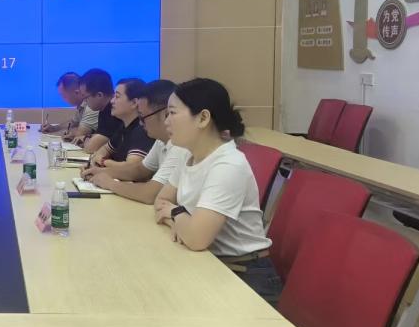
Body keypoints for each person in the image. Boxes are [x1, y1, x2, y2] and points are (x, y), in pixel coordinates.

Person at [153, 78, 282, 303]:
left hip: (246, 275)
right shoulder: (188, 154)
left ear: (203, 118)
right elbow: (161, 200)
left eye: (172, 113)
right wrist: (182, 223)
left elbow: (196, 238)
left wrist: (176, 213)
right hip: (208, 262)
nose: (166, 122)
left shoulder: (228, 164)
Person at [83, 79, 188, 205]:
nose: (140, 123)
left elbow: (151, 194)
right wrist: (99, 172)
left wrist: (110, 183)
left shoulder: (180, 145)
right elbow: (139, 170)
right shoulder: (161, 140)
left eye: (143, 117)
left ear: (164, 113)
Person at [84, 77, 152, 165]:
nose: (112, 101)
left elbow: (130, 168)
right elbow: (102, 151)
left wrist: (103, 162)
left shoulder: (142, 129)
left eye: (117, 97)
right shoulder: (123, 127)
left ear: (134, 103)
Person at [72, 68, 114, 153]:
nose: (84, 102)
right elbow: (102, 135)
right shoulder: (103, 109)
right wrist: (88, 137)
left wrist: (86, 139)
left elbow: (91, 148)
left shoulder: (114, 112)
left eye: (86, 97)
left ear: (99, 95)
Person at [46, 72, 96, 136]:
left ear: (76, 92)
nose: (64, 100)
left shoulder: (91, 105)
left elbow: (81, 133)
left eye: (64, 96)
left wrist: (52, 134)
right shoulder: (81, 104)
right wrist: (54, 128)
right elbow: (73, 123)